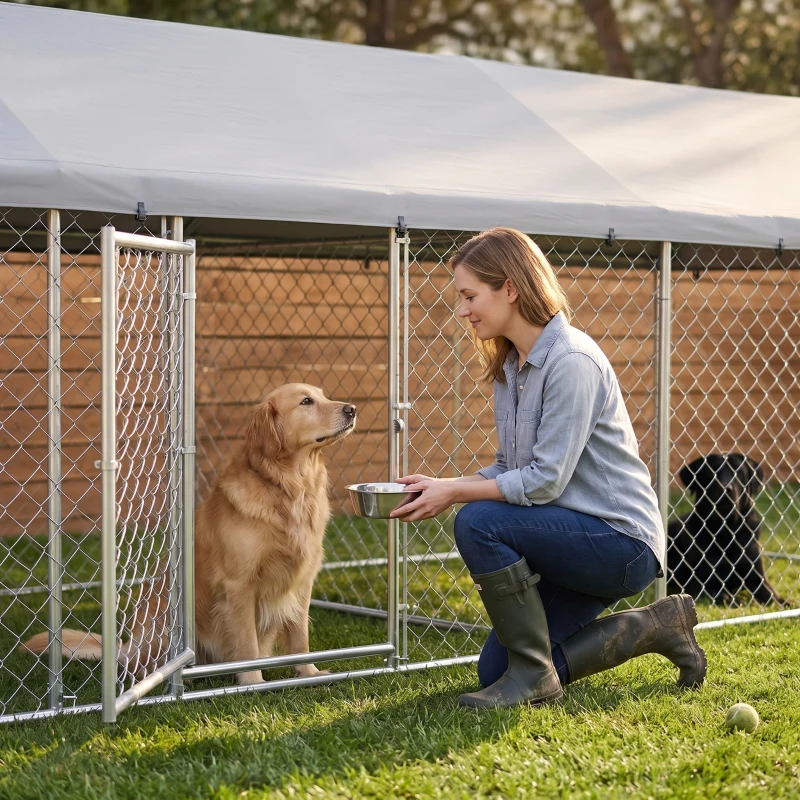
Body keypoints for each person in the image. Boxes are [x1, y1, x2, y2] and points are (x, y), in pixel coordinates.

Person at [390, 227, 706, 709]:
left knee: (477, 521)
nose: (463, 310)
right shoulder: (511, 366)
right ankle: (657, 627)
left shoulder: (572, 361)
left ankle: (535, 677)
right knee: (498, 671)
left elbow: (544, 481)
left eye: (470, 296)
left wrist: (455, 493)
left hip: (619, 542)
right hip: (571, 537)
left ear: (510, 288)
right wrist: (442, 484)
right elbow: (509, 467)